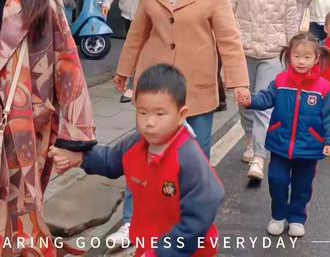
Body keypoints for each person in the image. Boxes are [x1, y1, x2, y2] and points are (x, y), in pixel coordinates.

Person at [111, 0, 249, 245]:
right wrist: (124, 70)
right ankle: (131, 221)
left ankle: (187, 224)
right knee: (143, 154)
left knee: (193, 159)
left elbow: (229, 39)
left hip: (196, 89)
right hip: (156, 86)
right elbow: (137, 33)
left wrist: (239, 82)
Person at [0, 0, 96, 255]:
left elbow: (69, 72)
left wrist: (75, 139)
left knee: (21, 214)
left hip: (23, 132)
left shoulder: (42, 6)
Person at [49, 64, 225, 256]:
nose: (149, 122)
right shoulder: (135, 143)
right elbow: (110, 160)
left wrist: (163, 252)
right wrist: (78, 156)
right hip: (146, 241)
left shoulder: (188, 158)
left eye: (159, 114)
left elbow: (200, 213)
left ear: (181, 115)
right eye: (142, 112)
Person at [236, 33, 330, 238]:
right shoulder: (281, 80)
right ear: (289, 56)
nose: (301, 61)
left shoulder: (323, 88)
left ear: (316, 58)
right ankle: (278, 216)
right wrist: (250, 100)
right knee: (277, 180)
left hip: (309, 148)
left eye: (307, 57)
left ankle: (297, 218)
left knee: (302, 186)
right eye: (297, 56)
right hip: (280, 144)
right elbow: (266, 98)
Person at [227, 0, 298, 182]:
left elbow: (291, 19)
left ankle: (259, 156)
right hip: (242, 50)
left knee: (264, 105)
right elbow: (227, 14)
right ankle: (250, 139)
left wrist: (293, 53)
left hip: (273, 52)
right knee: (245, 100)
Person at [202, 0, 230, 112]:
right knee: (213, 67)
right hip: (209, 33)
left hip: (219, 33)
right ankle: (220, 100)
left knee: (214, 67)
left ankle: (219, 99)